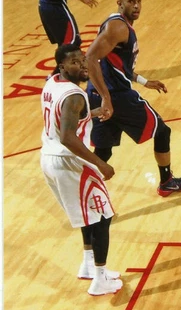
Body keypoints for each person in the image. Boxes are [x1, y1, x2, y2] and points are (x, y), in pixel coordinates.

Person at [85, 0, 181, 196]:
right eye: (131, 1)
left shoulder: (117, 25)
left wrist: (143, 81)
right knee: (162, 131)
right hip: (115, 96)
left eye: (139, 1)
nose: (136, 6)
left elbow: (117, 65)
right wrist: (107, 98)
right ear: (120, 3)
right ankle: (166, 181)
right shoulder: (119, 27)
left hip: (99, 93)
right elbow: (90, 58)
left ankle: (84, 189)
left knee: (103, 150)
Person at [40, 43, 122, 296]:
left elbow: (62, 118)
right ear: (62, 66)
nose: (84, 65)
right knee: (103, 216)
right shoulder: (75, 95)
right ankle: (100, 279)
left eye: (84, 60)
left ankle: (88, 264)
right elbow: (67, 136)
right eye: (75, 62)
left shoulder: (52, 82)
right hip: (69, 162)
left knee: (89, 215)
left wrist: (91, 114)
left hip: (48, 158)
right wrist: (100, 163)